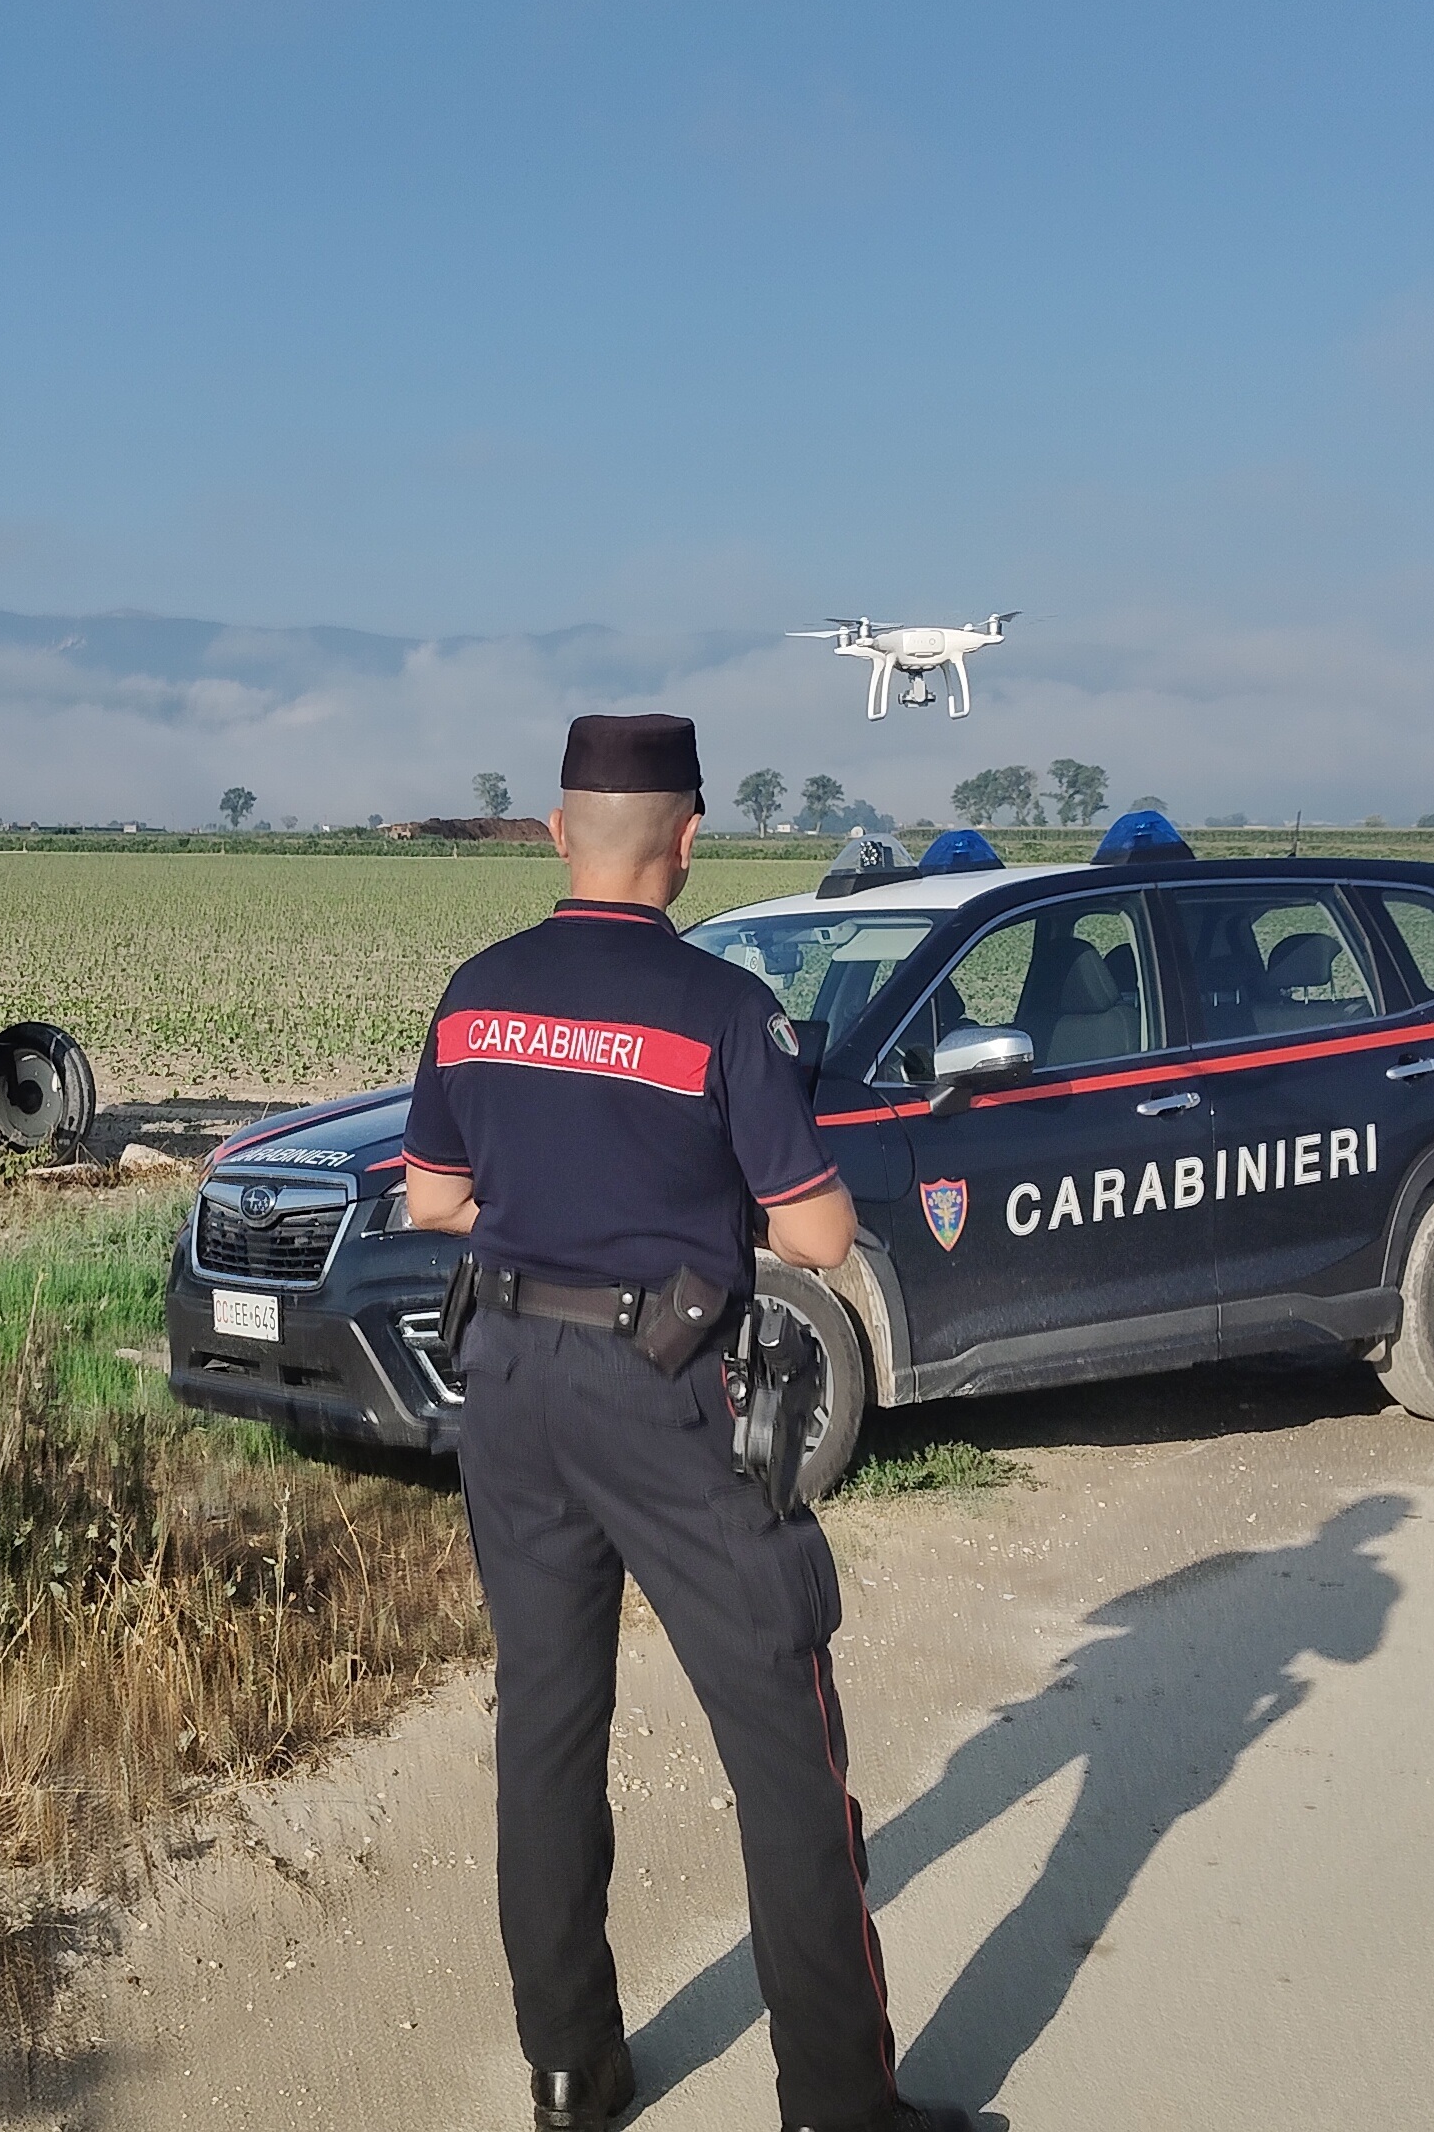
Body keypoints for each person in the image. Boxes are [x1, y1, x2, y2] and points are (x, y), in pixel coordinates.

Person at [402, 714, 972, 2132]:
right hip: (661, 1391)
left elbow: (432, 1202)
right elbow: (820, 1234)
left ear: (556, 832)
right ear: (689, 841)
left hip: (509, 1388)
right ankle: (841, 2108)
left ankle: (569, 2075)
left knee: (545, 1731)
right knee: (780, 1727)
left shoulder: (473, 997)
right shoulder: (724, 1011)